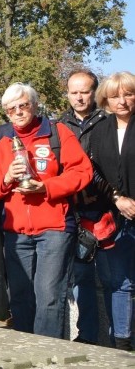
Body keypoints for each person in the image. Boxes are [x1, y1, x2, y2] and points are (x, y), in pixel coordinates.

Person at [0, 82, 91, 338]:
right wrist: (8, 177)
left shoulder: (58, 133)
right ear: (6, 113)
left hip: (54, 229)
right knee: (20, 297)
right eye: (12, 109)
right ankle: (26, 351)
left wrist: (45, 188)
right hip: (16, 233)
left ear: (34, 105)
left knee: (49, 297)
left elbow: (82, 172)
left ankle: (49, 354)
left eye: (24, 105)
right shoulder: (3, 144)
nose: (19, 112)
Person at [59, 69, 111, 344]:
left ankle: (117, 338)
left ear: (95, 92)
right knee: (80, 279)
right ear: (67, 93)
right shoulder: (59, 126)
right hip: (71, 212)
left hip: (105, 208)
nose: (79, 97)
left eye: (85, 91)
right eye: (74, 92)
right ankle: (87, 336)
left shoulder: (109, 123)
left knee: (114, 280)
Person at [88, 72, 135, 351]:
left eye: (128, 94)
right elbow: (93, 172)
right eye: (115, 95)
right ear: (105, 99)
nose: (122, 101)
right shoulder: (100, 131)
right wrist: (118, 198)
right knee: (121, 284)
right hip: (116, 217)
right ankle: (123, 345)